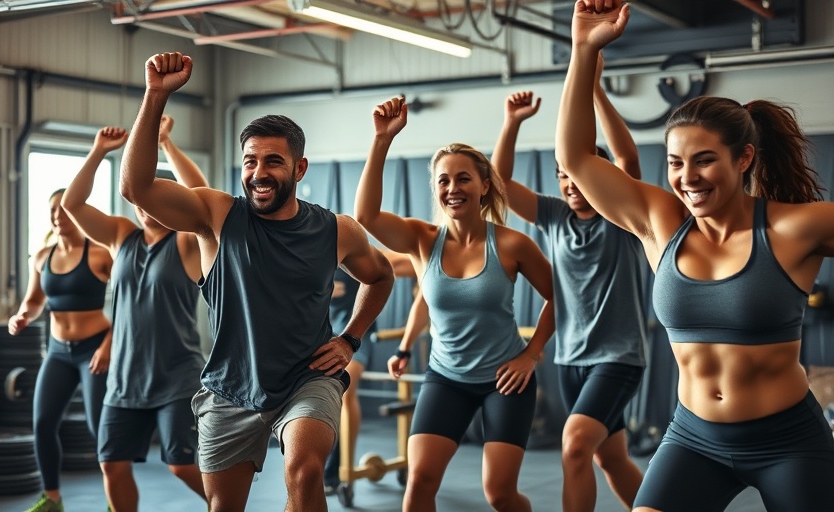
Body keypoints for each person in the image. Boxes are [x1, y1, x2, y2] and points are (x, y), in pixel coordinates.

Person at [555, 2, 834, 511]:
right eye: (677, 163)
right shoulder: (661, 222)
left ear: (743, 157)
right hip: (693, 438)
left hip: (787, 441)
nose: (688, 177)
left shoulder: (793, 228)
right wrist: (582, 49)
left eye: (705, 160)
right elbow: (574, 157)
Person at [119, 52, 395, 512]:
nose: (259, 173)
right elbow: (137, 188)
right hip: (230, 386)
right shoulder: (216, 215)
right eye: (250, 161)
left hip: (308, 378)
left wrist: (350, 339)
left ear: (299, 169)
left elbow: (381, 276)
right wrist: (155, 95)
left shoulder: (337, 230)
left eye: (273, 161)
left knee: (305, 472)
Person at [355, 96, 556, 512]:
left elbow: (559, 298)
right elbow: (367, 216)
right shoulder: (422, 239)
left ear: (484, 186)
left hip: (505, 380)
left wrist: (531, 356)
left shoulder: (514, 244)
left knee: (499, 495)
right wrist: (381, 141)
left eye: (463, 179)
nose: (452, 188)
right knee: (419, 488)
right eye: (443, 181)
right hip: (446, 379)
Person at [492, 59, 647, 511]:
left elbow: (629, 160)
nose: (570, 181)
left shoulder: (622, 217)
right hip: (571, 358)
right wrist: (511, 124)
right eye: (562, 174)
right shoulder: (555, 217)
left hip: (618, 356)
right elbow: (499, 184)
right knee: (609, 459)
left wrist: (595, 90)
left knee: (574, 445)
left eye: (577, 172)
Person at [60, 119, 207, 512]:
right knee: (111, 463)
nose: (142, 209)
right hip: (125, 380)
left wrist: (166, 144)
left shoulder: (187, 242)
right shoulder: (122, 236)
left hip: (176, 376)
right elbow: (71, 205)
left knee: (181, 466)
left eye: (150, 200)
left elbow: (202, 194)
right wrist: (97, 153)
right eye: (137, 201)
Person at [8, 189, 113, 512]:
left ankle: (115, 500)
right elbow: (35, 300)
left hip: (94, 349)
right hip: (58, 352)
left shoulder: (100, 253)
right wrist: (22, 315)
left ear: (78, 213)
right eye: (53, 209)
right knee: (43, 422)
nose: (58, 215)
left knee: (100, 429)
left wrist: (109, 346)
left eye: (65, 209)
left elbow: (127, 303)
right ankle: (52, 499)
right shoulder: (42, 256)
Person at [323, 252, 415, 494]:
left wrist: (421, 293)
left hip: (354, 335)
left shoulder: (358, 252)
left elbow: (416, 263)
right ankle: (326, 466)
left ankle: (339, 470)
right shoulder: (303, 254)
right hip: (320, 334)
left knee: (344, 385)